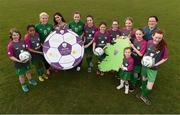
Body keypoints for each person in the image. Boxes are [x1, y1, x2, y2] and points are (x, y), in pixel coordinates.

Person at [136, 30, 168, 105]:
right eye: (156, 37)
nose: (157, 39)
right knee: (143, 78)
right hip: (144, 65)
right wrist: (143, 59)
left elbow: (165, 58)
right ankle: (143, 90)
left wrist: (156, 64)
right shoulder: (149, 42)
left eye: (159, 38)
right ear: (153, 36)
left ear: (162, 38)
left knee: (149, 87)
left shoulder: (163, 46)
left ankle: (143, 95)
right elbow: (147, 52)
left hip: (153, 68)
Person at [7, 28, 37, 93]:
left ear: (19, 35)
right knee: (21, 75)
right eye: (14, 35)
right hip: (19, 63)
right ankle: (23, 85)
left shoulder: (23, 41)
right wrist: (19, 61)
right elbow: (11, 56)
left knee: (28, 71)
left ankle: (30, 80)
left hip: (26, 61)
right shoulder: (10, 45)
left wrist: (28, 55)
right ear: (11, 36)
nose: (16, 36)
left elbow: (27, 49)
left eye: (17, 35)